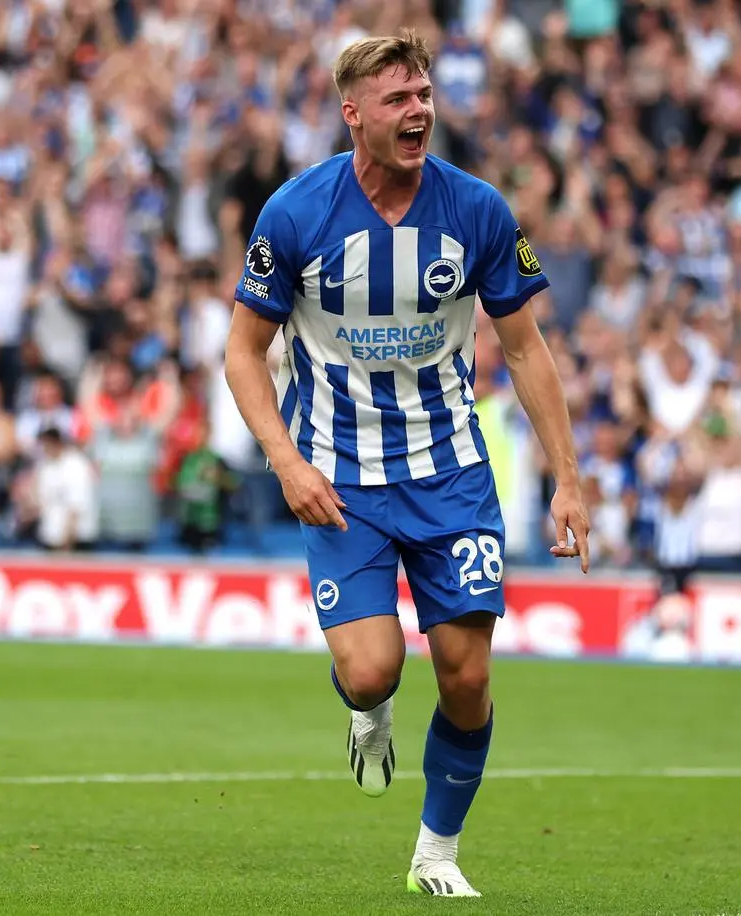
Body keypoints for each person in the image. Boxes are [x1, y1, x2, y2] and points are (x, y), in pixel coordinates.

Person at [223, 30, 591, 899]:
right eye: (398, 98)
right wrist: (286, 463)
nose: (419, 109)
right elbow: (242, 354)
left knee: (467, 675)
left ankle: (437, 852)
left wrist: (569, 477)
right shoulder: (296, 213)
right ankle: (369, 712)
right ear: (354, 114)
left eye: (423, 94)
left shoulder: (478, 210)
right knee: (370, 670)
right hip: (338, 476)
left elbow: (526, 349)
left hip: (449, 472)